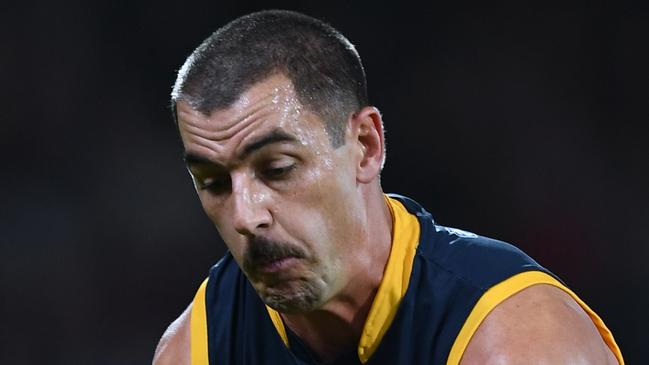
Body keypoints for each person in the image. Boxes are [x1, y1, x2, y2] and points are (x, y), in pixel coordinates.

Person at [153, 10, 624, 365]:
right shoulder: (196, 348)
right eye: (214, 183)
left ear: (365, 144)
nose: (245, 215)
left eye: (277, 168)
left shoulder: (515, 339)